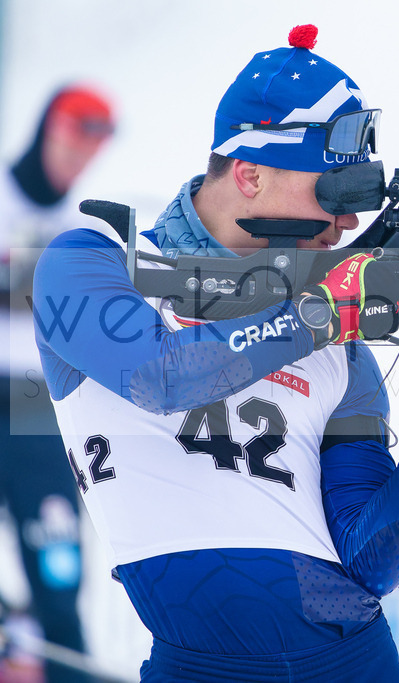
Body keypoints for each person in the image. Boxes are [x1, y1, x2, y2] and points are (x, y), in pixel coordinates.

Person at [31, 24, 399, 682]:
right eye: (334, 195)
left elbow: (372, 562)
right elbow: (158, 375)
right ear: (249, 173)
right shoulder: (94, 262)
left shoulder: (342, 346)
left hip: (351, 660)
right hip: (194, 666)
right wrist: (316, 314)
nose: (346, 225)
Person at [1, 83, 115, 683]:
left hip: (36, 402)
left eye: (93, 143)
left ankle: (66, 667)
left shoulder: (81, 226)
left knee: (58, 569)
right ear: (47, 128)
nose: (79, 154)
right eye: (72, 135)